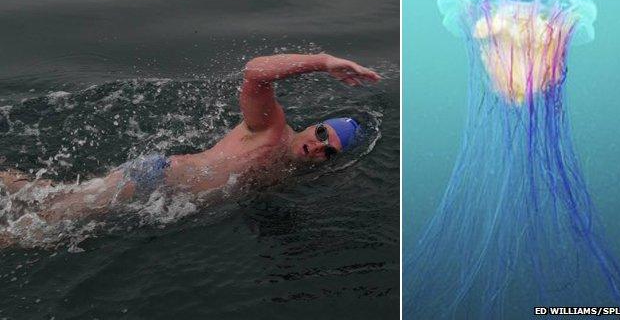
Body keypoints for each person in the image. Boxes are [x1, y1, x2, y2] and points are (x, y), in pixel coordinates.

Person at [0, 53, 380, 246]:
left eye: (328, 151)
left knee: (46, 195)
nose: (317, 146)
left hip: (165, 205)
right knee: (38, 231)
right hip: (153, 181)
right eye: (320, 133)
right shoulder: (272, 129)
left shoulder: (292, 173)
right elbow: (255, 72)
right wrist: (322, 61)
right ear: (314, 124)